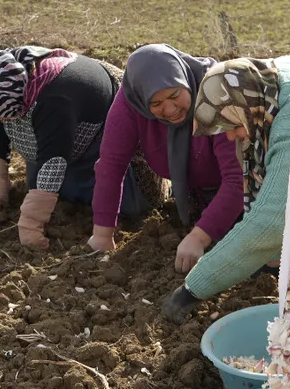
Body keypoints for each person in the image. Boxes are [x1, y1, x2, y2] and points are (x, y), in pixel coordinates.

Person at [159, 55, 290, 324]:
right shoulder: (266, 84)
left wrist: (191, 291)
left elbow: (273, 221)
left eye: (232, 126)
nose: (230, 136)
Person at [0, 46, 152, 250]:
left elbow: (54, 161)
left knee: (132, 206)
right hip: (56, 134)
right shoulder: (1, 84)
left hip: (100, 132)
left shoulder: (55, 98)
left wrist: (31, 223)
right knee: (42, 189)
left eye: (0, 114)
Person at [89, 44, 243, 270]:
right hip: (198, 188)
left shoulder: (218, 93)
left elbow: (238, 178)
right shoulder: (131, 101)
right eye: (157, 104)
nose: (171, 110)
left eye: (174, 95)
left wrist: (199, 238)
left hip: (251, 185)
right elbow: (111, 165)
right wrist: (102, 234)